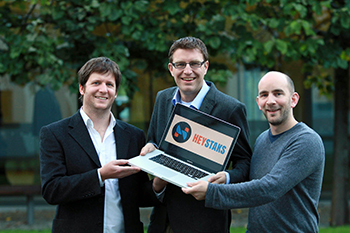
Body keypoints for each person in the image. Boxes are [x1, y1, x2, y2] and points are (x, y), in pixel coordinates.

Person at [183, 71, 325, 232]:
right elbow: (252, 183)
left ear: (293, 99)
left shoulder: (306, 141)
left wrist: (212, 192)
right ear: (258, 102)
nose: (270, 101)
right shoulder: (262, 139)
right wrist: (226, 177)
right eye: (264, 95)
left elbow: (270, 188)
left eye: (278, 93)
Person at [140, 37, 252, 233]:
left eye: (194, 64)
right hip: (163, 219)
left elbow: (245, 162)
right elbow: (155, 140)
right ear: (171, 68)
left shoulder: (230, 109)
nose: (188, 71)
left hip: (205, 220)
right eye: (181, 64)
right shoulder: (163, 99)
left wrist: (225, 178)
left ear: (206, 66)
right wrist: (151, 146)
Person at [40, 57, 160, 233]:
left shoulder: (133, 136)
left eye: (109, 85)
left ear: (116, 92)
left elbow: (139, 196)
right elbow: (52, 190)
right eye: (96, 82)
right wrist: (100, 176)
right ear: (82, 88)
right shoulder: (55, 133)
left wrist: (160, 182)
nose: (103, 90)